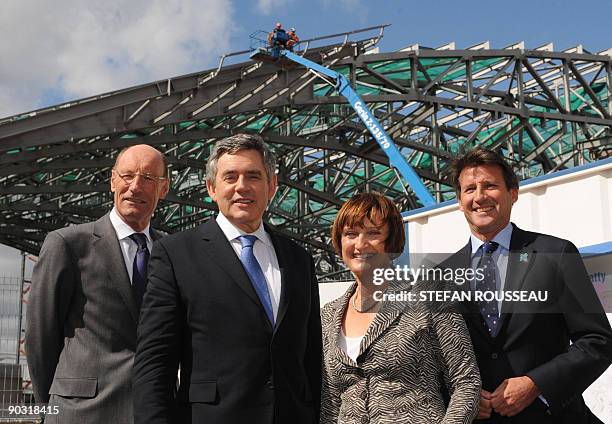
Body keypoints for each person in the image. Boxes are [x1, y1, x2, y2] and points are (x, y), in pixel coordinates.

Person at [133, 133, 322, 424]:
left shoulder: (299, 260)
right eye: (230, 177)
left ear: (272, 186)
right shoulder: (175, 254)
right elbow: (156, 363)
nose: (241, 187)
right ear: (211, 187)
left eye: (253, 176)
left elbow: (310, 359)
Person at [441, 147, 612, 423]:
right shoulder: (442, 276)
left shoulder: (554, 254)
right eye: (469, 189)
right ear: (460, 201)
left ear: (513, 192)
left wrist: (537, 385)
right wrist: (460, 397)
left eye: (490, 185)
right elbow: (431, 363)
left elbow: (598, 341)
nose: (479, 196)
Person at [25, 144, 169, 424]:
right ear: (113, 181)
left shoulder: (171, 252)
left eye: (148, 178)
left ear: (163, 189)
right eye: (127, 176)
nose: (135, 187)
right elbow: (40, 337)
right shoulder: (68, 244)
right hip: (80, 413)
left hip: (152, 412)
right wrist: (51, 407)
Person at [320, 192, 481, 423]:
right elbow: (331, 403)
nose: (360, 244)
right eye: (350, 234)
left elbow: (466, 382)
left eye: (373, 233)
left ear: (391, 240)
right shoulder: (328, 315)